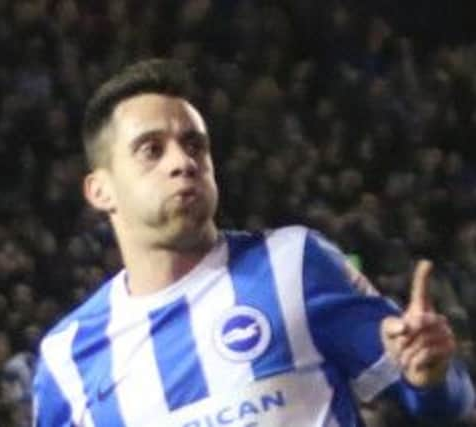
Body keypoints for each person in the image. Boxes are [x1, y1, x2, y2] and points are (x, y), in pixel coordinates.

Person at [32, 58, 475, 427]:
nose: (182, 162)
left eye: (194, 145)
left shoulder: (293, 266)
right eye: (151, 149)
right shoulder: (68, 359)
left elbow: (447, 406)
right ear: (99, 190)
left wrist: (430, 377)